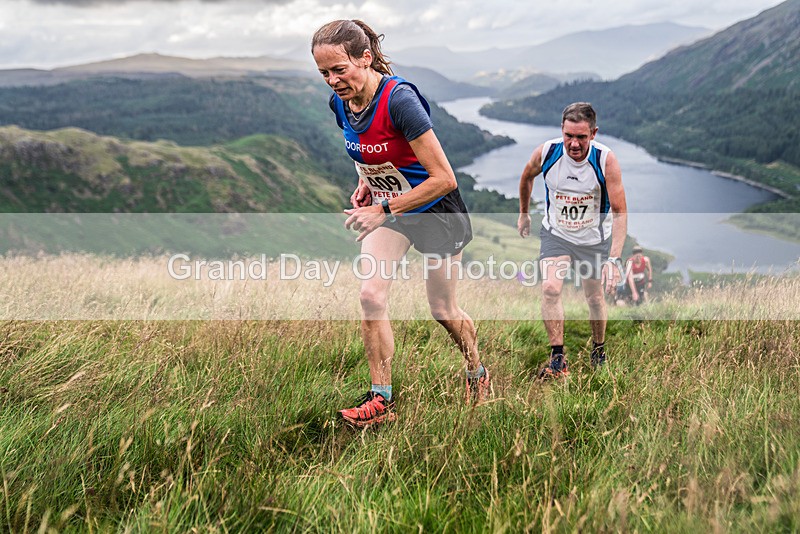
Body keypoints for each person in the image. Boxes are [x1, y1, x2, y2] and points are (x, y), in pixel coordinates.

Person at [311, 19, 491, 427]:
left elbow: (444, 178)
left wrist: (384, 208)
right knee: (371, 297)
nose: (333, 81)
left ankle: (477, 372)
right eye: (324, 73)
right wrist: (364, 182)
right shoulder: (340, 103)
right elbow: (365, 150)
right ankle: (381, 399)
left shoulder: (399, 100)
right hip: (389, 211)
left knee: (443, 310)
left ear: (366, 58)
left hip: (434, 212)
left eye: (340, 70)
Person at [517, 102, 628, 377]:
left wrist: (613, 259)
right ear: (561, 131)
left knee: (594, 297)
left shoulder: (605, 160)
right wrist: (523, 214)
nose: (574, 144)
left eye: (581, 137)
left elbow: (620, 212)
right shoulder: (548, 152)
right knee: (551, 289)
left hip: (593, 240)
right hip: (557, 235)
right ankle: (558, 359)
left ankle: (599, 350)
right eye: (569, 135)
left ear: (594, 133)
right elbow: (526, 177)